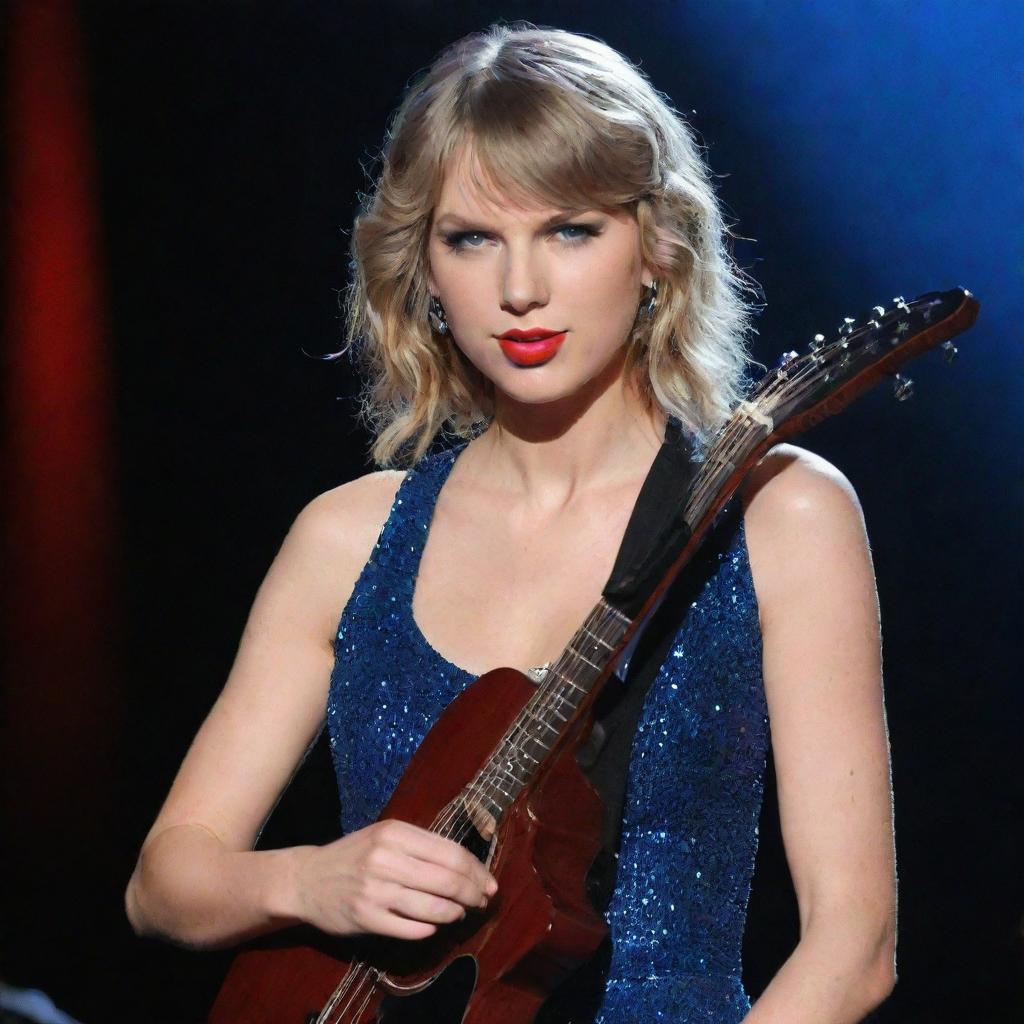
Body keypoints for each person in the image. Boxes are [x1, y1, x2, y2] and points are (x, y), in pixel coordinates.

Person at [125, 21, 897, 1024]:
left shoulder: (779, 513)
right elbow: (164, 883)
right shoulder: (349, 537)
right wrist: (311, 879)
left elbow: (855, 945)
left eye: (569, 230)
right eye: (472, 238)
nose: (519, 289)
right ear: (424, 272)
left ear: (656, 247)